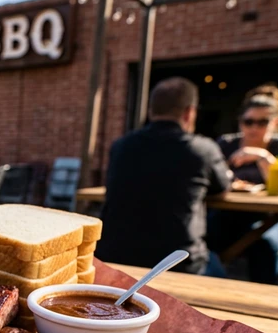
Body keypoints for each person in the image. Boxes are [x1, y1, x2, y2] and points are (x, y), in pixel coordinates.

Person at [95, 78, 231, 276]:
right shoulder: (202, 149)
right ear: (189, 112)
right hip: (177, 263)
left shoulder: (121, 146)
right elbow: (222, 189)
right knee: (220, 269)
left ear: (151, 111)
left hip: (113, 257)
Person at [210, 84, 278, 284]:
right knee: (202, 238)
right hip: (227, 214)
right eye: (248, 121)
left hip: (271, 217)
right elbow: (213, 178)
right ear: (240, 122)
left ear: (275, 122)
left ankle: (266, 298)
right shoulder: (227, 143)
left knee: (264, 244)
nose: (254, 128)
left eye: (262, 122)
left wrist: (262, 157)